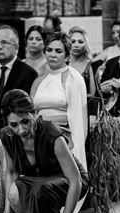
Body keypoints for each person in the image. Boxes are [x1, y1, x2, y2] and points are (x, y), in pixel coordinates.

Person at [0, 90, 87, 213]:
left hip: (69, 181)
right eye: (14, 125)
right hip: (39, 184)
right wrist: (7, 212)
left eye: (25, 122)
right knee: (15, 192)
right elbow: (12, 173)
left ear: (35, 113)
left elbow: (76, 180)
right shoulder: (7, 135)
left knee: (39, 191)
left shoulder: (51, 133)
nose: (21, 130)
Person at [31, 32, 88, 173]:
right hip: (38, 135)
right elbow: (31, 112)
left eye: (58, 51)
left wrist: (74, 149)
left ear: (67, 56)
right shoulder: (38, 81)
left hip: (63, 136)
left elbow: (78, 118)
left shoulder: (74, 78)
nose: (52, 54)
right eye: (49, 50)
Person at [0, 26, 38, 133]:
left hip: (10, 132)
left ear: (16, 47)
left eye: (4, 43)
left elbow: (20, 110)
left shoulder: (28, 74)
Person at [67, 26, 97, 98]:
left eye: (80, 42)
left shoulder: (90, 65)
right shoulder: (64, 64)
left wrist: (75, 97)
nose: (76, 45)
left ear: (86, 44)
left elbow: (93, 94)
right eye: (73, 41)